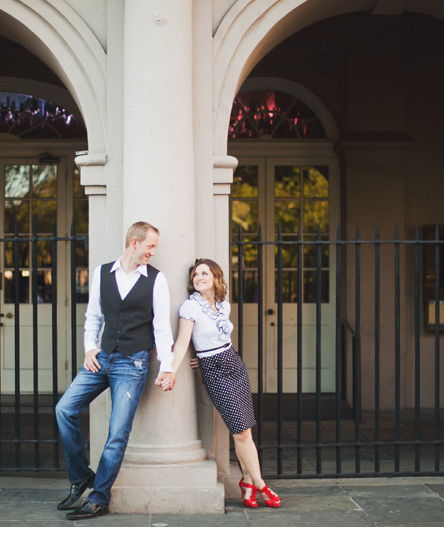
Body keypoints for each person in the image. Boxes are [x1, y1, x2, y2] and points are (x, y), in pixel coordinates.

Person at [54, 221, 174, 520]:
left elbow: (161, 328)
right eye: (150, 245)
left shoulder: (156, 280)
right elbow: (93, 316)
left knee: (117, 433)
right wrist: (89, 348)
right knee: (64, 409)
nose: (153, 251)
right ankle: (81, 475)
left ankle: (98, 498)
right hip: (102, 357)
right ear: (134, 242)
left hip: (133, 364)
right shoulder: (102, 273)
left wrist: (167, 367)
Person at [156, 258, 281, 509]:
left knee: (245, 427)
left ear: (215, 277)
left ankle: (246, 483)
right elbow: (182, 343)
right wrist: (170, 369)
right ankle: (260, 484)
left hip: (234, 363)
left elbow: (220, 339)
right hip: (215, 371)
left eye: (204, 273)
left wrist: (204, 357)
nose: (199, 277)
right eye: (195, 275)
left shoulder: (224, 306)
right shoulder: (190, 308)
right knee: (241, 431)